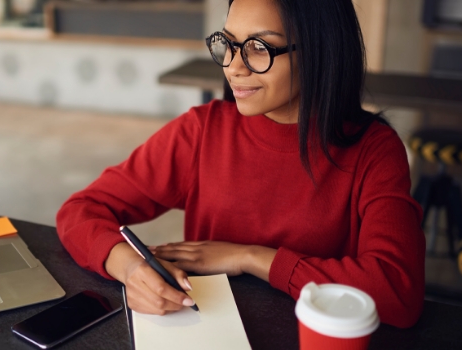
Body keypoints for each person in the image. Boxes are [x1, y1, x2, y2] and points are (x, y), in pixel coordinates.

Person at [56, 0, 425, 328]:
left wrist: (250, 258)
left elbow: (397, 291)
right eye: (229, 44)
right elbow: (80, 210)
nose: (233, 67)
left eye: (258, 48)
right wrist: (130, 268)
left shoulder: (374, 150)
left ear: (318, 50)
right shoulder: (202, 131)